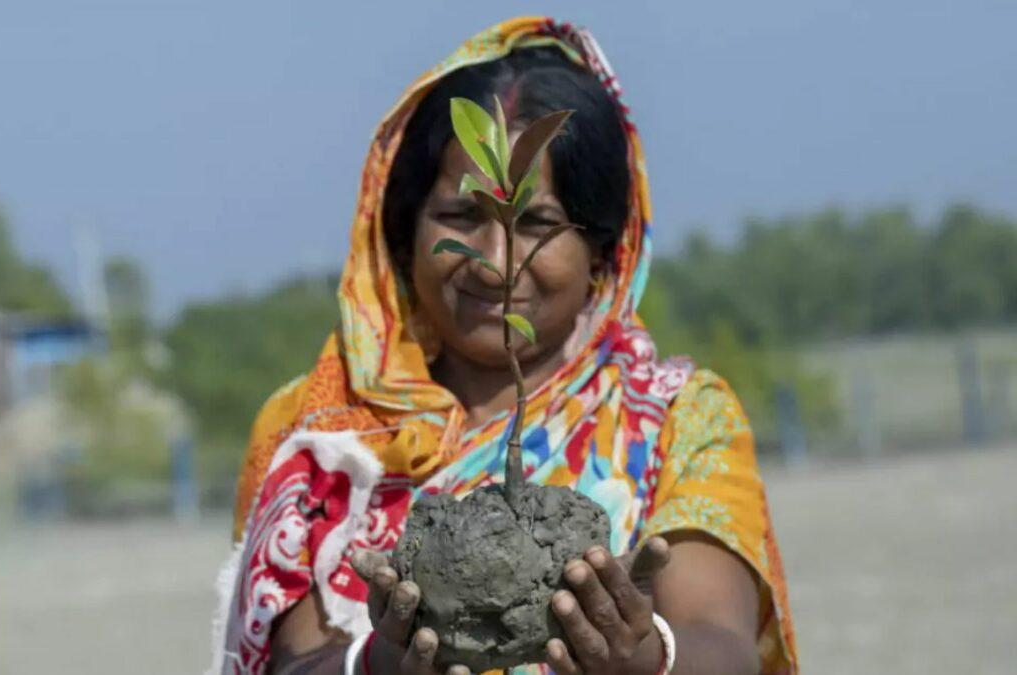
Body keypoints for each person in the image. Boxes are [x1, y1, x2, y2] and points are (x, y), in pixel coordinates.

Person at [212, 16, 797, 675]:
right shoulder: (322, 435)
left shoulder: (676, 418)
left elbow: (721, 643)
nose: (495, 263)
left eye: (538, 223)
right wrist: (375, 662)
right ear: (403, 233)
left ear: (604, 249)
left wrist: (640, 654)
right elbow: (288, 661)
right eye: (461, 217)